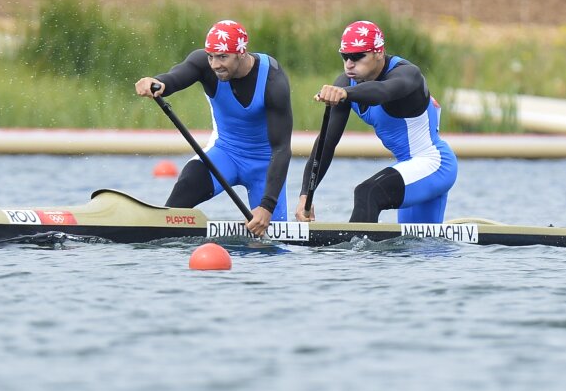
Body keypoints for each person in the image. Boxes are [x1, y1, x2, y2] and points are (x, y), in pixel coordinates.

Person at [135, 19, 292, 237]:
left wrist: (267, 205)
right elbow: (176, 76)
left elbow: (282, 148)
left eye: (222, 57)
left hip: (264, 167)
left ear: (241, 53)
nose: (215, 64)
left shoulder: (273, 81)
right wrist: (159, 82)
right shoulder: (203, 64)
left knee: (271, 243)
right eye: (211, 56)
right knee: (184, 189)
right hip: (225, 155)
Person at [295, 20, 456, 224]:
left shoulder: (407, 74)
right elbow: (326, 144)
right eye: (345, 57)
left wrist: (345, 93)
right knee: (418, 251)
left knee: (367, 192)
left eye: (357, 56)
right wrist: (305, 197)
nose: (349, 64)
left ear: (379, 52)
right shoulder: (345, 83)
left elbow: (382, 92)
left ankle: (355, 255)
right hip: (410, 169)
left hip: (435, 165)